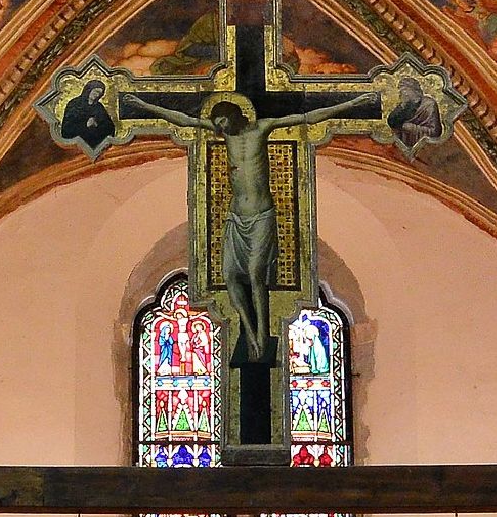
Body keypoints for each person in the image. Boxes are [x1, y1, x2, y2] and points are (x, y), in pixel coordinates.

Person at [124, 91, 373, 361]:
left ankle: (262, 334)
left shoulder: (261, 129)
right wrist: (144, 105)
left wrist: (352, 103)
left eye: (223, 121)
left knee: (256, 275)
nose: (220, 128)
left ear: (234, 116)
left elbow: (305, 118)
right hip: (236, 217)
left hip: (261, 216)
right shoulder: (226, 136)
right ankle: (250, 332)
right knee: (230, 275)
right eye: (217, 124)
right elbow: (184, 120)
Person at [60, 78, 118, 153]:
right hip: (78, 147)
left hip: (97, 144)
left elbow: (110, 127)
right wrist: (85, 125)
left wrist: (96, 124)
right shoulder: (75, 104)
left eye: (100, 93)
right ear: (89, 90)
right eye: (96, 91)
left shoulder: (99, 107)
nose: (97, 95)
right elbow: (66, 129)